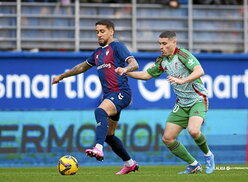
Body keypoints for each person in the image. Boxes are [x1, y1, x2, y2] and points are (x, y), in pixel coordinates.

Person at [52, 19, 139, 175]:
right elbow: (81, 67)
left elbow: (134, 63)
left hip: (121, 93)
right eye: (97, 32)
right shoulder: (97, 53)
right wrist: (62, 76)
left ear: (111, 31)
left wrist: (125, 69)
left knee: (100, 112)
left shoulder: (117, 47)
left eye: (102, 31)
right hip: (109, 95)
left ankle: (98, 148)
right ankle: (130, 164)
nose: (99, 34)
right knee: (109, 135)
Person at [126, 31, 215, 174]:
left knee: (193, 130)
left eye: (164, 43)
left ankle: (208, 155)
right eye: (160, 43)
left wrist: (182, 80)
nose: (161, 46)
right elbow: (146, 75)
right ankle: (193, 165)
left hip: (197, 99)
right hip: (182, 103)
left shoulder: (183, 54)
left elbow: (199, 70)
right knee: (168, 138)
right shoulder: (162, 61)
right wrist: (125, 72)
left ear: (174, 43)